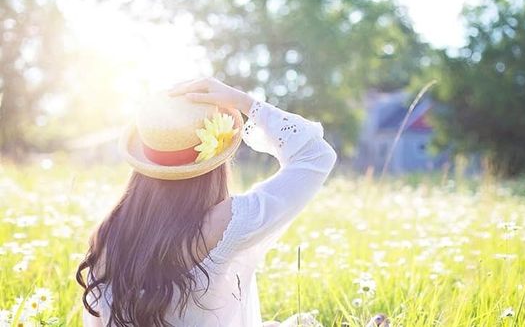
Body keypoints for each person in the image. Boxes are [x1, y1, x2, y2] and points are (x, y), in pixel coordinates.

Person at [76, 77, 337, 326]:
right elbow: (316, 155)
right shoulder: (225, 223)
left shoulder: (108, 232)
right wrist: (244, 102)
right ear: (215, 159)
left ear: (145, 165)